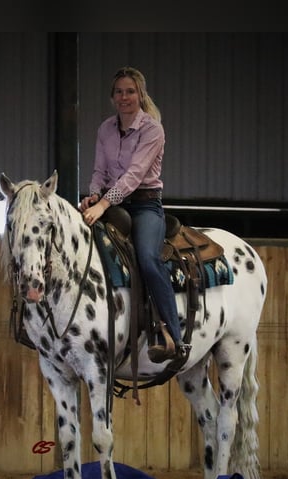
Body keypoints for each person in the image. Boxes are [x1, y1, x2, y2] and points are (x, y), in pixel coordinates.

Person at [80, 66, 190, 363]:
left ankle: (173, 336)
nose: (124, 97)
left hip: (144, 205)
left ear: (140, 94)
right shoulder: (105, 128)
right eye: (119, 92)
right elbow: (99, 170)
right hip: (112, 203)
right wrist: (93, 194)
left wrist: (102, 206)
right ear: (112, 96)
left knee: (147, 258)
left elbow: (134, 175)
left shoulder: (153, 129)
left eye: (130, 91)